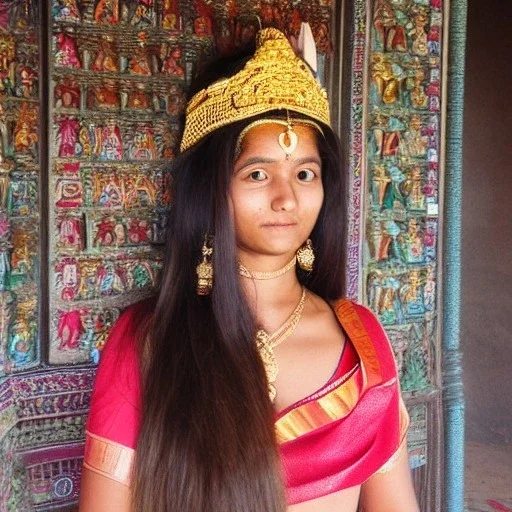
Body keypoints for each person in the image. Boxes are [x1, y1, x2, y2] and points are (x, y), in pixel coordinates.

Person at [79, 28, 419, 512]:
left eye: (305, 173)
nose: (287, 198)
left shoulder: (361, 343)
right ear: (212, 189)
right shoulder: (147, 342)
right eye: (257, 174)